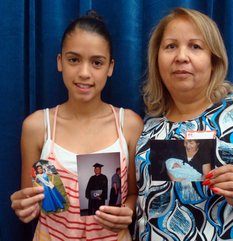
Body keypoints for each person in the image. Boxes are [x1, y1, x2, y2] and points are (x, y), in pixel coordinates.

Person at [135, 7, 233, 240]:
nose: (181, 56)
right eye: (170, 46)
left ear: (213, 60)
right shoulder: (149, 124)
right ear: (156, 59)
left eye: (195, 46)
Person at [10, 10, 143, 240]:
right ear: (60, 61)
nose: (84, 73)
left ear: (110, 67)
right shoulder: (37, 127)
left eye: (96, 63)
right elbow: (30, 200)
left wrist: (128, 211)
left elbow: (133, 193)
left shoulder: (129, 124)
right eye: (74, 60)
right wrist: (24, 206)